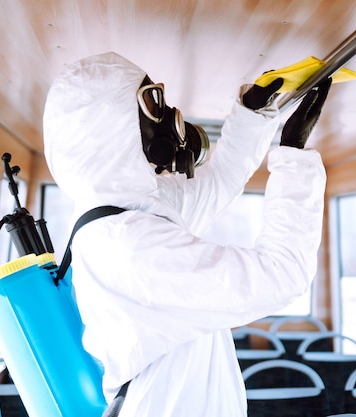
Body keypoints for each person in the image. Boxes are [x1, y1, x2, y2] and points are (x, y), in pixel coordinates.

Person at [43, 51, 331, 416]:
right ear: (111, 125)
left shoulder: (117, 215)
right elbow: (282, 272)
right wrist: (293, 158)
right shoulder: (128, 244)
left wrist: (253, 114)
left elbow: (219, 183)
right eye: (151, 101)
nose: (167, 115)